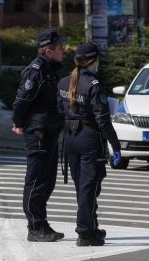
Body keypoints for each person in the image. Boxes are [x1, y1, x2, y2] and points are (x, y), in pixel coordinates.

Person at [57, 42, 122, 247]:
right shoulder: (93, 85)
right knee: (90, 187)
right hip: (89, 139)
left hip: (71, 137)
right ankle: (85, 232)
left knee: (82, 186)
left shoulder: (63, 82)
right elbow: (103, 119)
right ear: (93, 61)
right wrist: (116, 146)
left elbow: (60, 111)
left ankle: (91, 226)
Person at [12, 29, 67, 242]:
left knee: (48, 181)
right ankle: (34, 227)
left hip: (50, 132)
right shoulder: (36, 71)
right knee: (36, 180)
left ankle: (42, 223)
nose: (64, 50)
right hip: (39, 133)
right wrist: (19, 122)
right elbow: (21, 101)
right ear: (48, 50)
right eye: (60, 47)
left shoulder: (49, 69)